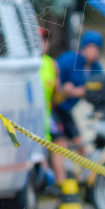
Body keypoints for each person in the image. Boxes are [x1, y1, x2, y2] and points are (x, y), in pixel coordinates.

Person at [53, 30, 104, 170]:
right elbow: (53, 81)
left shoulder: (96, 68)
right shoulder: (69, 60)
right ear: (84, 47)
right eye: (90, 47)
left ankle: (84, 179)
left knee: (79, 143)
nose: (93, 52)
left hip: (66, 111)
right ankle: (61, 183)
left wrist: (77, 92)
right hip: (53, 108)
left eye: (96, 48)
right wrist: (64, 90)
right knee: (60, 144)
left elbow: (99, 90)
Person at [38, 27, 66, 185]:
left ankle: (62, 187)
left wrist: (65, 91)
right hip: (29, 117)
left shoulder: (51, 64)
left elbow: (58, 97)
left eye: (46, 40)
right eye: (40, 39)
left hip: (46, 116)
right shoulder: (28, 64)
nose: (43, 44)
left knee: (60, 144)